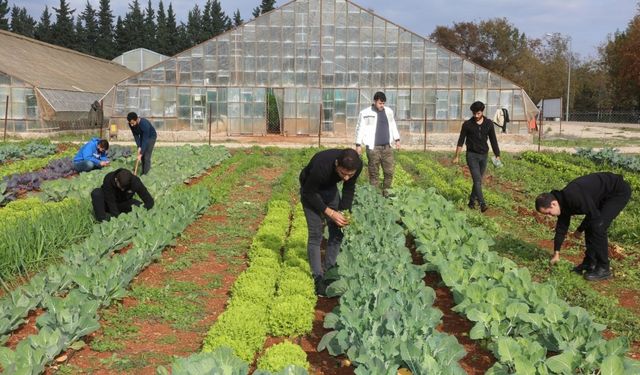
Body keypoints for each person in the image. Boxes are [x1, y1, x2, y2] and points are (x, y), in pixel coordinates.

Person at [535, 172, 631, 281]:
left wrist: (580, 229)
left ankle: (604, 268)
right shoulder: (562, 203)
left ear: (553, 204)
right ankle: (590, 263)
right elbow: (561, 229)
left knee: (598, 227)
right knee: (593, 225)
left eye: (548, 213)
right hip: (601, 196)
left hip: (617, 191)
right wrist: (556, 253)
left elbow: (593, 215)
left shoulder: (573, 196)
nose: (549, 216)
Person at [300, 148, 363, 296]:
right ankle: (317, 277)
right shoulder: (322, 165)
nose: (346, 178)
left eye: (350, 174)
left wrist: (343, 211)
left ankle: (330, 271)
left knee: (337, 231)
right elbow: (309, 192)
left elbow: (349, 188)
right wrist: (329, 212)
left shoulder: (357, 166)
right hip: (311, 191)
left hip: (329, 189)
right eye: (342, 174)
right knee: (316, 234)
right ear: (336, 164)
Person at [453, 101, 501, 212]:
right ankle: (482, 204)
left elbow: (493, 140)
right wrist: (457, 156)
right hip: (472, 155)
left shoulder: (488, 123)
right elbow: (461, 141)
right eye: (474, 113)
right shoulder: (467, 124)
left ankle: (471, 202)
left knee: (478, 180)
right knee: (477, 180)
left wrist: (497, 155)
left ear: (482, 112)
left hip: (484, 156)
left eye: (478, 113)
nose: (476, 116)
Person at [355, 91, 400, 197]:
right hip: (373, 148)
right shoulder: (365, 113)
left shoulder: (388, 111)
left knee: (389, 172)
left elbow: (393, 125)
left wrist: (397, 139)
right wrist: (358, 144)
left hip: (387, 148)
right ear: (375, 101)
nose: (382, 105)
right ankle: (375, 197)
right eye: (380, 103)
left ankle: (386, 194)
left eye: (383, 103)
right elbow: (360, 128)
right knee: (374, 173)